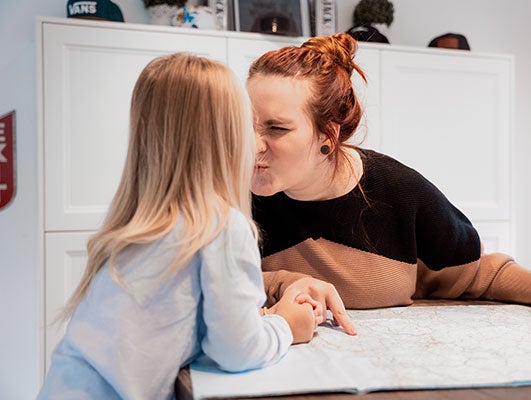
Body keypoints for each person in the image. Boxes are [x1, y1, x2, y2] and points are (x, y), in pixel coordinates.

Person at [246, 33, 531, 335]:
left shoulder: (400, 191)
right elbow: (204, 282)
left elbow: (478, 274)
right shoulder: (232, 191)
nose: (253, 144)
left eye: (276, 129)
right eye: (245, 123)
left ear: (328, 135)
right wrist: (282, 282)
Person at [37, 53, 320, 400]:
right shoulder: (222, 228)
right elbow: (236, 351)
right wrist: (288, 325)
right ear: (226, 137)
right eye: (249, 125)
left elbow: (186, 329)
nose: (258, 142)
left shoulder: (139, 225)